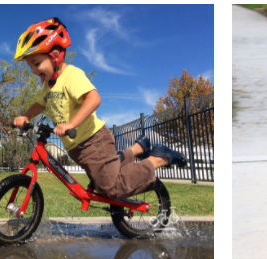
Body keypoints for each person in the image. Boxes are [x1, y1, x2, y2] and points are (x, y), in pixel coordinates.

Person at [12, 17, 186, 200]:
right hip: (78, 147)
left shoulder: (71, 75)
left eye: (36, 63)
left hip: (93, 142)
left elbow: (94, 99)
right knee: (101, 179)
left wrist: (71, 123)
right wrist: (25, 116)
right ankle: (137, 148)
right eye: (30, 65)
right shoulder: (49, 85)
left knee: (111, 188)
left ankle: (158, 159)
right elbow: (40, 103)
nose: (32, 70)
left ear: (55, 55)